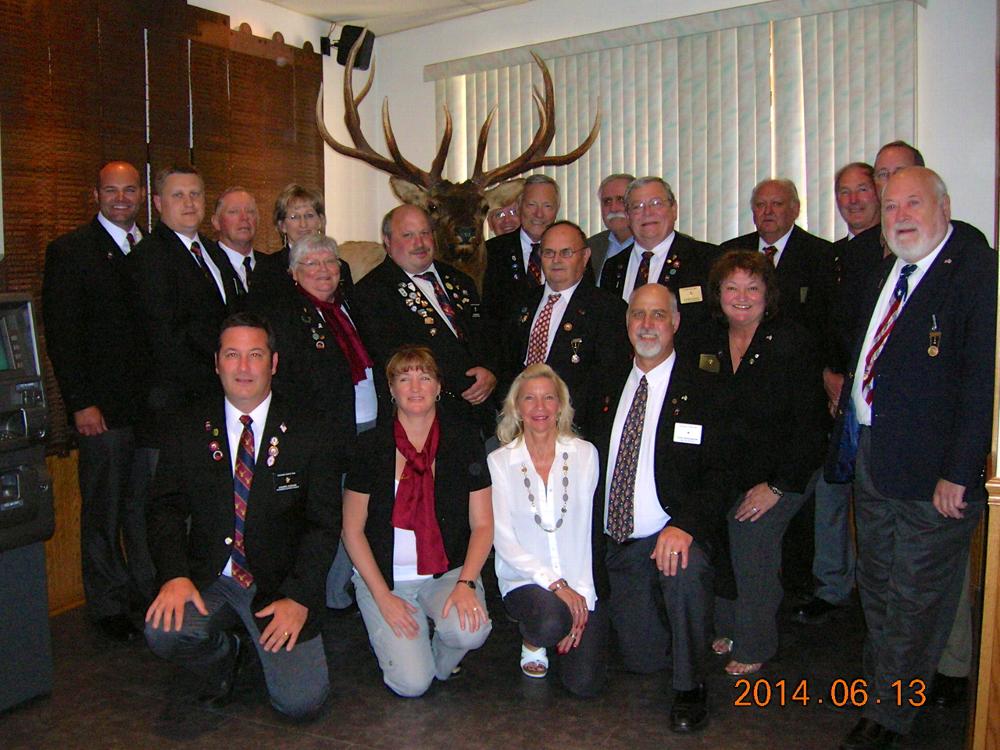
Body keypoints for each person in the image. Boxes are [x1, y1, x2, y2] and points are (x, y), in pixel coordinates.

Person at [829, 167, 995, 750]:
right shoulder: (892, 270)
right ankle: (888, 689)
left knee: (914, 596)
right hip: (875, 456)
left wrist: (960, 471)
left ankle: (890, 715)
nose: (900, 215)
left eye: (913, 203)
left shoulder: (974, 272)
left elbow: (982, 383)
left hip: (934, 474)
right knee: (876, 584)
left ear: (944, 207)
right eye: (891, 204)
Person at [144, 312, 341, 718]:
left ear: (274, 363)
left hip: (279, 587)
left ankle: (260, 638)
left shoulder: (311, 428)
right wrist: (174, 574)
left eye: (255, 354)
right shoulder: (186, 426)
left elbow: (323, 525)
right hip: (211, 577)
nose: (244, 367)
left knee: (300, 703)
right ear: (216, 363)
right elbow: (164, 507)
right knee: (165, 631)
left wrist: (300, 597)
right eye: (232, 355)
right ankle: (224, 654)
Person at [590, 283, 731, 732]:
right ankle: (668, 622)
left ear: (675, 322)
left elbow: (722, 472)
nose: (646, 325)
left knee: (685, 569)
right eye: (637, 315)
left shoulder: (704, 385)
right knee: (643, 659)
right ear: (627, 322)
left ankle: (691, 688)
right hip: (616, 540)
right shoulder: (607, 379)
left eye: (657, 315)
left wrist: (685, 525)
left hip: (669, 533)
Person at [697, 250, 826, 676]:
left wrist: (776, 487)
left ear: (768, 294)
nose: (741, 296)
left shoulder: (792, 341)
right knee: (714, 526)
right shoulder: (709, 339)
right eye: (731, 287)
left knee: (748, 530)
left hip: (785, 471)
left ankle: (755, 642)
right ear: (717, 294)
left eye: (753, 288)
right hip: (730, 468)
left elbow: (810, 427)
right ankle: (729, 626)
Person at [341, 346, 494, 698]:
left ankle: (435, 654)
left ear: (439, 387)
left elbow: (484, 525)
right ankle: (407, 647)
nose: (415, 387)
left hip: (446, 573)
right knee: (412, 685)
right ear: (391, 389)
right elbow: (352, 530)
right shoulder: (370, 447)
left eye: (425, 377)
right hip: (387, 579)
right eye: (404, 378)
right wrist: (382, 596)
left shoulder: (464, 441)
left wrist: (466, 584)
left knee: (470, 631)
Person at [42, 160, 153, 641]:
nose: (122, 198)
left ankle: (146, 596)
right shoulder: (70, 251)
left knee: (142, 509)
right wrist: (80, 404)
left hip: (148, 410)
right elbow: (62, 339)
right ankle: (107, 606)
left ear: (143, 194)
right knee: (104, 511)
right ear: (96, 195)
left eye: (130, 190)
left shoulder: (152, 248)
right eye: (112, 191)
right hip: (101, 412)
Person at [251, 233, 377, 609]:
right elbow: (289, 382)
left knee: (359, 513)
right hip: (327, 433)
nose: (323, 271)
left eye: (330, 263)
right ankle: (323, 594)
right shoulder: (286, 315)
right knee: (329, 515)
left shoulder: (347, 305)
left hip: (367, 424)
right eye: (312, 264)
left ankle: (343, 587)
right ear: (293, 273)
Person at [795, 162, 880, 627]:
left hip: (873, 400)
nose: (852, 200)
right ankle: (832, 587)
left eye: (861, 190)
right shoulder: (835, 256)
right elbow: (824, 324)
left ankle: (876, 600)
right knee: (830, 493)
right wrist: (829, 375)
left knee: (871, 504)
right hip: (834, 393)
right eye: (843, 192)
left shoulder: (894, 252)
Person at [489, 364, 607, 695]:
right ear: (517, 407)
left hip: (577, 580)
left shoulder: (585, 454)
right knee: (551, 621)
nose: (539, 407)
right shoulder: (499, 462)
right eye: (529, 398)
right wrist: (558, 588)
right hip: (524, 580)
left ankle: (561, 622)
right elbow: (504, 540)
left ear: (560, 405)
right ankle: (533, 638)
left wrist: (581, 599)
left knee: (584, 685)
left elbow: (586, 535)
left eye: (548, 398)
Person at [355, 205, 497, 430]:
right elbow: (394, 359)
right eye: (408, 235)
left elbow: (488, 335)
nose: (419, 243)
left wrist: (490, 372)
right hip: (424, 422)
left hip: (482, 416)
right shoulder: (370, 293)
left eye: (425, 233)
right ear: (387, 241)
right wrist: (464, 383)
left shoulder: (461, 280)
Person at [500, 221, 631, 435]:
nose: (557, 260)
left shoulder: (607, 308)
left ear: (585, 256)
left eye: (566, 252)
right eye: (549, 253)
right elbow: (505, 364)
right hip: (520, 426)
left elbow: (608, 377)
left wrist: (558, 416)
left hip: (577, 430)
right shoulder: (521, 303)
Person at [599, 177, 721, 343]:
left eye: (656, 203)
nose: (647, 213)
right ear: (628, 216)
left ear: (674, 209)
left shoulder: (707, 259)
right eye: (637, 206)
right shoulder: (613, 267)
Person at [720, 178, 831, 342]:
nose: (768, 211)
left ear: (796, 209)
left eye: (777, 204)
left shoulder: (821, 254)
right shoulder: (729, 252)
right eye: (760, 205)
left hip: (797, 354)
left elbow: (823, 321)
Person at [482, 174, 560, 327]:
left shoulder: (573, 251)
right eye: (532, 205)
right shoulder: (491, 252)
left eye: (547, 206)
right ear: (519, 207)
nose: (539, 214)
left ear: (556, 210)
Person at [212, 187, 262, 295]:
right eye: (233, 212)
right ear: (216, 222)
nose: (244, 217)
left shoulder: (273, 268)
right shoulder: (208, 266)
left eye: (250, 211)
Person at [586, 173, 635, 279]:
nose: (613, 208)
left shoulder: (652, 246)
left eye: (621, 200)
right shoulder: (590, 247)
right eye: (607, 201)